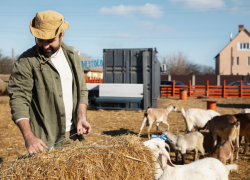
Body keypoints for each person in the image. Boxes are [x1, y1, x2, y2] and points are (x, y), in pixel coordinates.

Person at [8, 10, 91, 154]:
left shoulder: (72, 56)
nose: (45, 45)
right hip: (43, 142)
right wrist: (29, 137)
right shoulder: (26, 61)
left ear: (62, 35)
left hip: (72, 136)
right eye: (40, 39)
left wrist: (82, 117)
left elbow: (82, 89)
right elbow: (19, 99)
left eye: (50, 40)